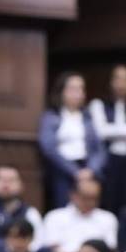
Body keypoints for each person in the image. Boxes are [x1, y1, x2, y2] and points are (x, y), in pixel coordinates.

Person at [38, 71, 106, 209]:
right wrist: (74, 171)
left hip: (87, 169)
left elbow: (99, 149)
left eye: (81, 89)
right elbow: (48, 147)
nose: (78, 93)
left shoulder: (88, 117)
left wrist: (91, 170)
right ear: (61, 92)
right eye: (73, 89)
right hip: (62, 171)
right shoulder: (51, 116)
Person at [89, 64, 126, 214]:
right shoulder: (98, 104)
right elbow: (100, 132)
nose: (121, 84)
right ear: (110, 82)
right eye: (118, 79)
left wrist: (114, 131)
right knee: (106, 203)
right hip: (106, 162)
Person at [42, 178, 118, 252]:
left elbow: (110, 249)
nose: (90, 202)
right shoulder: (55, 216)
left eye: (94, 198)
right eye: (86, 198)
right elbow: (54, 251)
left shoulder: (108, 218)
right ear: (73, 195)